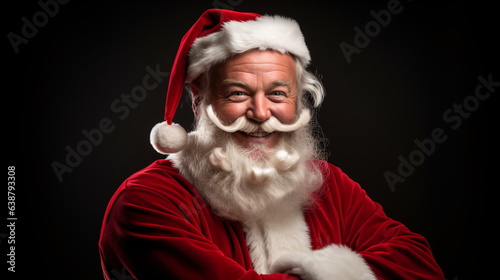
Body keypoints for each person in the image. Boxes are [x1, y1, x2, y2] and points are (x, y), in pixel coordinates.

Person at [98, 9, 445, 280]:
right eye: (238, 93)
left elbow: (419, 265)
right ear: (198, 98)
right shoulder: (146, 202)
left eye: (278, 93)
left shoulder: (327, 183)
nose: (262, 113)